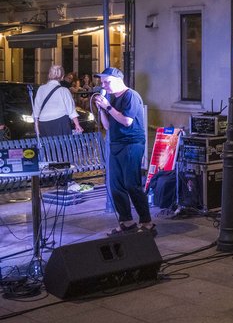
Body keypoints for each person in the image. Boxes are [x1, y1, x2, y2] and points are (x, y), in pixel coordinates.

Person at [93, 67, 153, 236]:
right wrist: (102, 109)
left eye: (107, 82)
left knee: (131, 184)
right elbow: (107, 126)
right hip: (116, 144)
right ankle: (126, 221)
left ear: (118, 79)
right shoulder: (112, 98)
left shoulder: (131, 96)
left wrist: (109, 107)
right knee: (116, 185)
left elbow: (127, 121)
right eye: (102, 82)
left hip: (131, 143)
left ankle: (147, 222)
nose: (104, 85)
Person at [33, 65, 83, 136]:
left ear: (49, 75)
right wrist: (77, 125)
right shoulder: (64, 90)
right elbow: (71, 110)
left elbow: (36, 109)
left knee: (48, 146)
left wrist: (36, 125)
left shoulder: (41, 89)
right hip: (60, 122)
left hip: (43, 123)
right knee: (61, 146)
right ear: (62, 77)